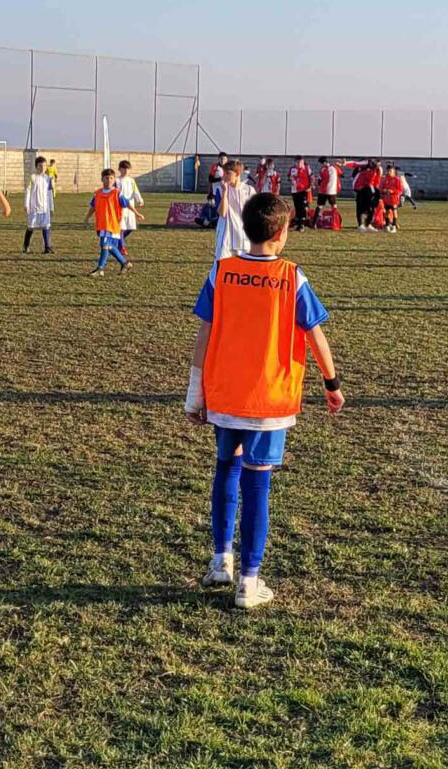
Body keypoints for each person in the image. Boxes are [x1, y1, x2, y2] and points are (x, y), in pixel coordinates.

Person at [184, 192, 344, 610]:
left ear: (245, 227)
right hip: (269, 400)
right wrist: (332, 383)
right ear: (283, 232)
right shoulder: (292, 277)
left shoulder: (222, 271)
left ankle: (221, 561)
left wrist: (195, 391)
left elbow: (203, 333)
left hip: (225, 395)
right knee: (257, 484)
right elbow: (315, 335)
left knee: (226, 468)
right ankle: (249, 582)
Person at [89, 168, 131, 276]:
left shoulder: (117, 193)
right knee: (107, 246)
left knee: (105, 245)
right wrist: (87, 217)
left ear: (114, 179)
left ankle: (100, 269)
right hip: (102, 224)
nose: (109, 180)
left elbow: (126, 203)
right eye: (106, 178)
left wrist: (137, 213)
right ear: (102, 179)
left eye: (111, 178)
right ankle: (124, 263)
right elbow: (93, 206)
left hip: (112, 224)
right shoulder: (98, 193)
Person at [214, 159, 256, 259]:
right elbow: (222, 213)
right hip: (226, 235)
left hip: (243, 236)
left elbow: (254, 214)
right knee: (222, 264)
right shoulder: (220, 189)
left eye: (227, 173)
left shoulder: (249, 190)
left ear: (237, 174)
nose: (224, 176)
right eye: (224, 173)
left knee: (243, 265)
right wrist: (225, 192)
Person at [23, 155, 56, 254]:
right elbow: (28, 191)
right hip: (34, 207)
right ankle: (26, 246)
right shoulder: (32, 178)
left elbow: (50, 193)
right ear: (36, 166)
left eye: (44, 166)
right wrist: (26, 204)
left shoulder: (47, 179)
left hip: (45, 208)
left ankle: (47, 247)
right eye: (40, 166)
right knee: (31, 226)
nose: (42, 168)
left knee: (46, 226)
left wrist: (51, 207)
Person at [114, 159, 143, 256]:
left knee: (131, 227)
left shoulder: (131, 181)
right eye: (124, 168)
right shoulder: (117, 181)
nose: (126, 171)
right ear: (119, 169)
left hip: (130, 207)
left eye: (128, 169)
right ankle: (122, 247)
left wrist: (140, 200)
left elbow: (135, 191)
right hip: (120, 207)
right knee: (121, 228)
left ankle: (117, 240)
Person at [312, 156, 340, 231]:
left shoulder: (323, 169)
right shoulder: (335, 168)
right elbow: (341, 175)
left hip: (323, 191)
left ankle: (314, 223)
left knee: (319, 206)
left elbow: (319, 180)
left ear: (323, 163)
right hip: (332, 191)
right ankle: (335, 223)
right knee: (334, 206)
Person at [378, 163, 405, 233]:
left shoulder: (397, 179)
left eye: (390, 171)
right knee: (386, 212)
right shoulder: (384, 179)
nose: (389, 172)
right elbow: (380, 188)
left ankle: (393, 226)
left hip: (394, 199)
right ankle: (387, 226)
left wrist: (392, 191)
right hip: (386, 199)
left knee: (394, 211)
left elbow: (400, 190)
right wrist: (383, 191)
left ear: (393, 171)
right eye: (388, 171)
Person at [352, 161, 379, 230]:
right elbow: (355, 184)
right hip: (362, 192)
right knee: (360, 208)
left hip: (369, 192)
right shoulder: (361, 173)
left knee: (371, 209)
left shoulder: (375, 173)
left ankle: (368, 224)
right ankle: (360, 224)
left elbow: (375, 183)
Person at [291, 159, 314, 229]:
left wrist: (310, 186)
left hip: (304, 190)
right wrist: (292, 179)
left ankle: (302, 224)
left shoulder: (307, 169)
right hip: (295, 191)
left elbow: (312, 177)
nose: (298, 164)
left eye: (300, 162)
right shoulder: (293, 169)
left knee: (303, 207)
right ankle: (298, 223)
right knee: (297, 207)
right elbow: (291, 177)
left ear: (302, 163)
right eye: (297, 162)